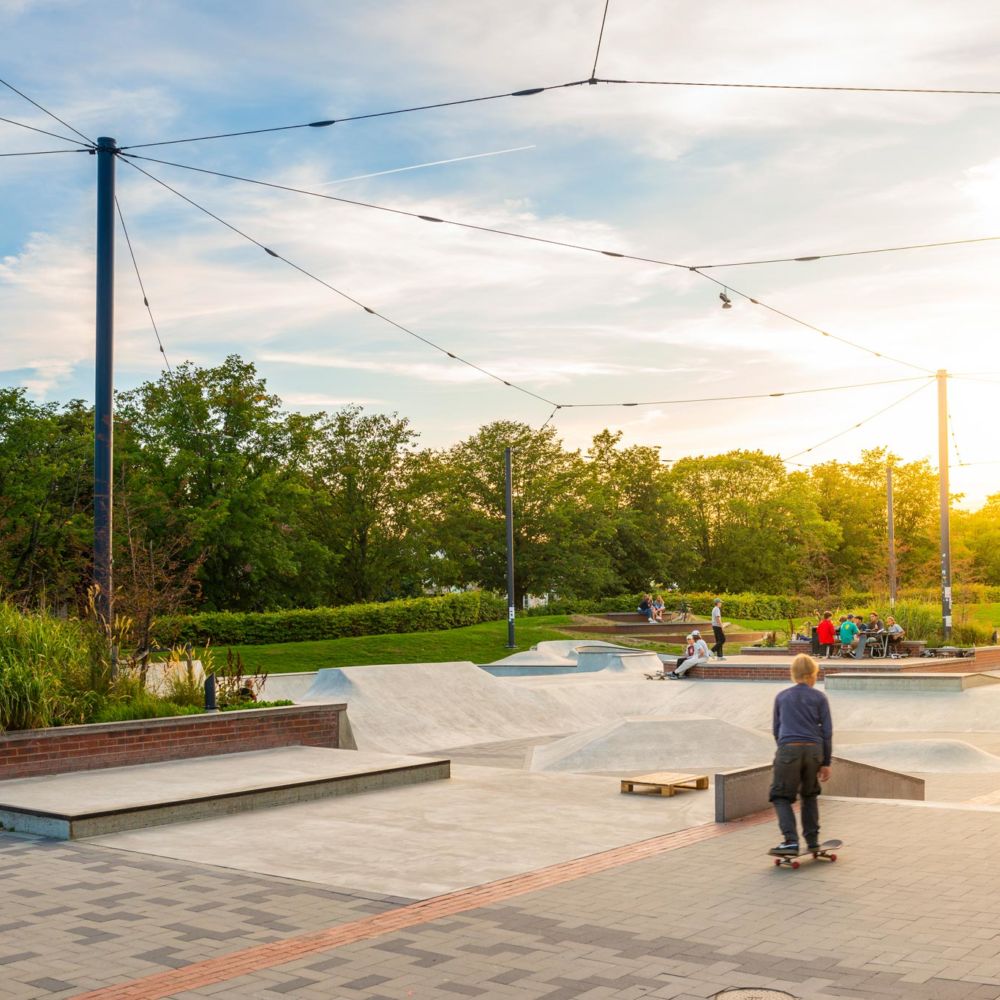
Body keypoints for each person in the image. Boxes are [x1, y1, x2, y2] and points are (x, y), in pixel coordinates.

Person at [769, 654, 833, 855]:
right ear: (813, 675)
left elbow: (776, 729)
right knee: (809, 795)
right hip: (814, 751)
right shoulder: (820, 697)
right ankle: (812, 841)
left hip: (789, 748)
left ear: (793, 674)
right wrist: (826, 762)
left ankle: (790, 841)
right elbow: (827, 731)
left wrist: (785, 750)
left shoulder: (782, 697)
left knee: (780, 796)